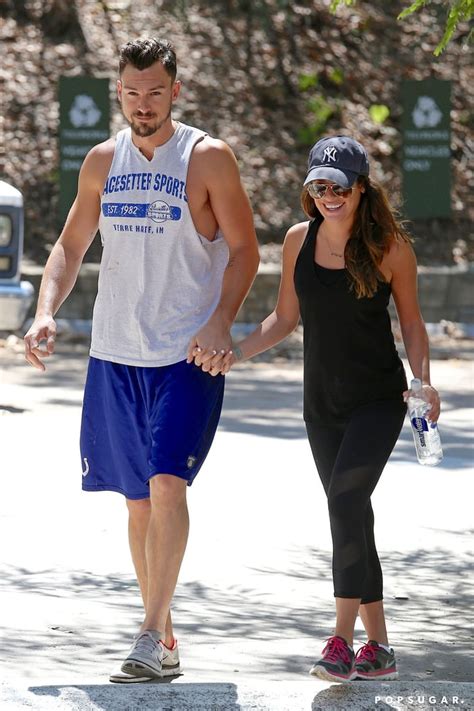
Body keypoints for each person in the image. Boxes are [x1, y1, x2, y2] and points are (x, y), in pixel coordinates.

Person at [24, 37, 259, 682]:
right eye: (132, 92)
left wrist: (219, 321)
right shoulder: (103, 161)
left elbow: (245, 252)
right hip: (115, 351)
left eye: (155, 91)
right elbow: (71, 245)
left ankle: (151, 633)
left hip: (188, 352)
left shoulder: (206, 158)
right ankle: (164, 631)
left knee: (165, 484)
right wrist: (45, 310)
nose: (143, 103)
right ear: (119, 91)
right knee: (135, 501)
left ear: (175, 90)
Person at [215, 135, 441, 681]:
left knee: (345, 500)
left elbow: (410, 321)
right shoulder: (298, 241)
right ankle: (380, 649)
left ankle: (340, 639)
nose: (327, 196)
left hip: (378, 401)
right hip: (320, 404)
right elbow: (284, 319)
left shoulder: (390, 248)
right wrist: (234, 352)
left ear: (361, 188)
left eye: (338, 187)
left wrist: (424, 381)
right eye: (318, 186)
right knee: (352, 516)